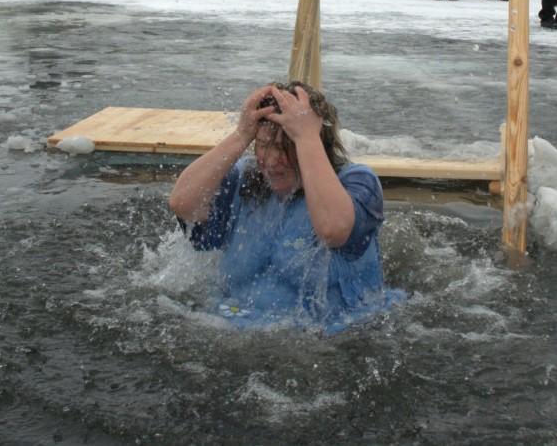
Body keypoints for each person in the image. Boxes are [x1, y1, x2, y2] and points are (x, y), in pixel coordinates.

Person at [169, 82, 398, 329]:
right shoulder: (243, 181)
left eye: (285, 147)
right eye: (264, 145)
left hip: (337, 338)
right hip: (234, 325)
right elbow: (183, 204)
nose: (271, 161)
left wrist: (306, 135)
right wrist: (241, 134)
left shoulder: (357, 183)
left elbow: (333, 229)